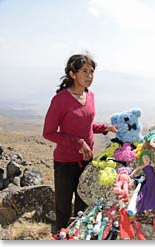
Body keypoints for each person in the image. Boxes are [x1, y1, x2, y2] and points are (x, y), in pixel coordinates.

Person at [43, 53, 117, 231]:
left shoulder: (89, 96)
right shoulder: (60, 100)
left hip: (87, 160)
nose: (89, 76)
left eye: (92, 72)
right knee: (63, 208)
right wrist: (78, 143)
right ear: (72, 74)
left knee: (83, 206)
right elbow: (48, 133)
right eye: (84, 71)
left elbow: (86, 125)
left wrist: (105, 128)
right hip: (65, 163)